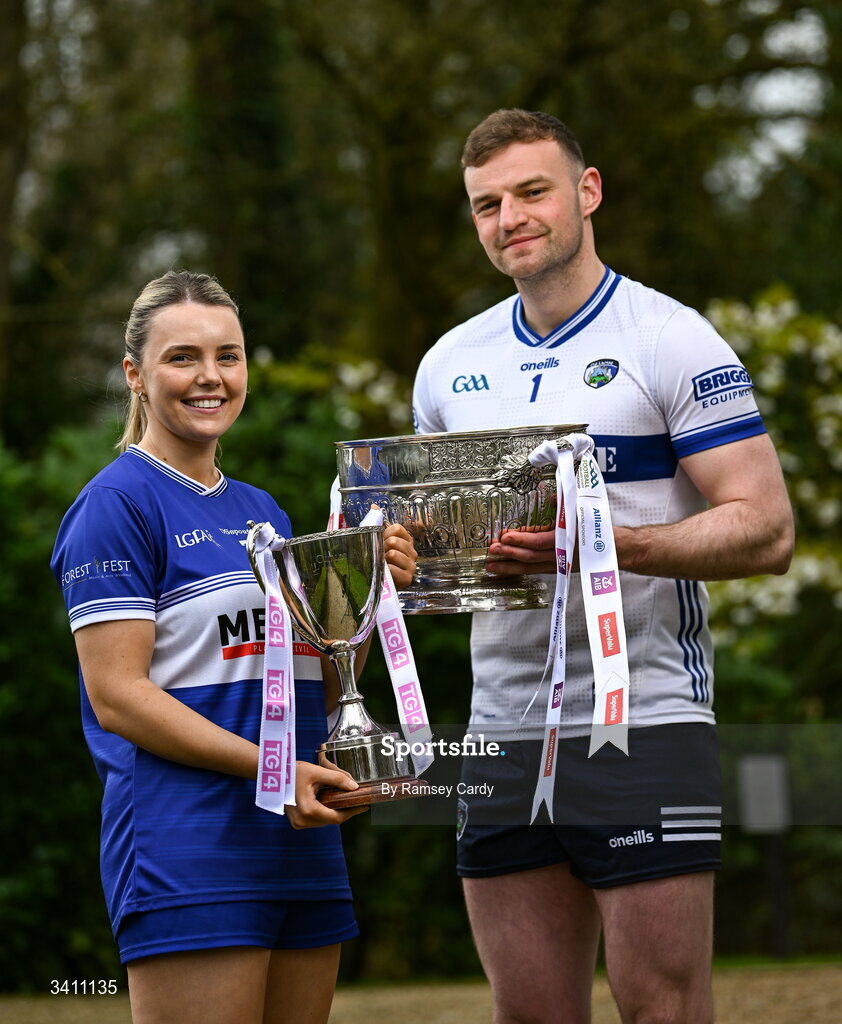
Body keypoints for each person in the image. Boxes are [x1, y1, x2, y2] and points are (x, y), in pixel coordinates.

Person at [412, 110, 794, 1024]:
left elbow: (766, 529)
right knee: (532, 1014)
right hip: (502, 729)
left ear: (587, 192)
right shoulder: (447, 365)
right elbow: (435, 554)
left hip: (647, 718)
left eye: (532, 191)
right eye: (487, 204)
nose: (511, 218)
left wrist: (612, 546)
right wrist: (402, 558)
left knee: (660, 1007)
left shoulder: (673, 338)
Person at [51, 271, 416, 1024]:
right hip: (188, 846)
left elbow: (317, 680)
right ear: (136, 375)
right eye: (182, 357)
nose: (211, 377)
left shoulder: (264, 512)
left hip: (299, 838)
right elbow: (117, 696)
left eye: (230, 355)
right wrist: (273, 770)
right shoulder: (113, 506)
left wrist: (375, 594)